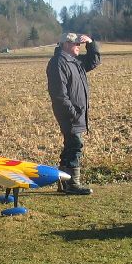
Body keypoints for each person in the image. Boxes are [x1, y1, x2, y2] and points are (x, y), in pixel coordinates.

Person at [46, 32, 101, 195]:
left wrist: (91, 44)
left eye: (79, 44)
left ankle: (64, 184)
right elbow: (59, 94)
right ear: (65, 44)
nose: (78, 46)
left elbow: (94, 61)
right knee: (75, 146)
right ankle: (72, 184)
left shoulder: (75, 61)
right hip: (69, 114)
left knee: (70, 146)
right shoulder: (58, 63)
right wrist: (73, 112)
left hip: (76, 113)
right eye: (76, 44)